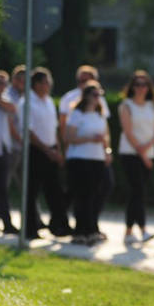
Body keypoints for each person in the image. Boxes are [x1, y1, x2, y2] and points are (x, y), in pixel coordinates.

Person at [59, 65, 112, 238]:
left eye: (99, 95)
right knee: (81, 195)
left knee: (94, 194)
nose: (97, 98)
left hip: (96, 158)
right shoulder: (77, 114)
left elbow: (105, 135)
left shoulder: (99, 115)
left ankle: (91, 228)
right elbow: (69, 136)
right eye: (94, 95)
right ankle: (80, 230)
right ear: (87, 96)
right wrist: (89, 139)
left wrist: (106, 150)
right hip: (79, 159)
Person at [19, 68, 70, 239]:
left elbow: (53, 128)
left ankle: (59, 225)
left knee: (55, 190)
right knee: (31, 191)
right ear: (37, 84)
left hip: (51, 150)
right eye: (45, 82)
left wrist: (58, 150)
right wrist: (47, 150)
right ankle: (30, 229)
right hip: (36, 151)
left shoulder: (48, 101)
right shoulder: (27, 102)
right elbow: (29, 132)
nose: (48, 85)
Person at [118, 70, 154, 245]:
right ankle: (139, 229)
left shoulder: (151, 106)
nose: (141, 88)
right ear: (132, 87)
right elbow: (128, 132)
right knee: (137, 190)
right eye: (138, 85)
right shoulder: (126, 105)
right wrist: (142, 154)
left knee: (139, 193)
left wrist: (147, 149)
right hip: (131, 153)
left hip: (148, 153)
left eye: (144, 85)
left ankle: (131, 231)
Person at [0, 65, 24, 231]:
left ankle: (6, 223)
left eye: (3, 83)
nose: (0, 86)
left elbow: (12, 109)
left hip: (2, 150)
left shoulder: (6, 102)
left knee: (2, 189)